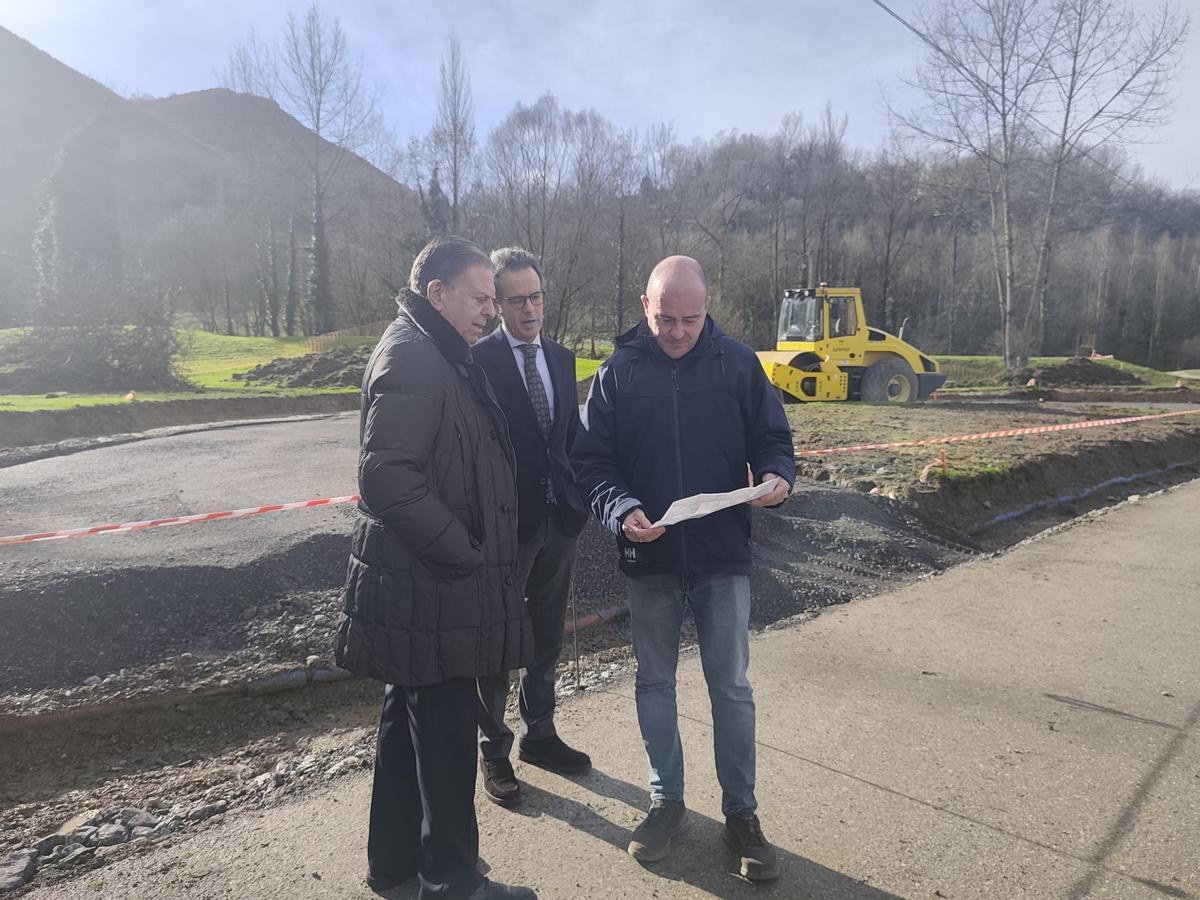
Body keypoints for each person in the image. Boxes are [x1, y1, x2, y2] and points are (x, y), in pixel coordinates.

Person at [571, 255, 794, 882]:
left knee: (732, 689)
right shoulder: (618, 374)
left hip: (723, 554)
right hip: (651, 556)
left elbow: (773, 440)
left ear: (707, 309)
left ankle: (742, 815)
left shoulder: (738, 365)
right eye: (665, 318)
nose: (676, 331)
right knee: (654, 685)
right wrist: (622, 509)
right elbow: (592, 465)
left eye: (689, 319)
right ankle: (665, 802)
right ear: (645, 306)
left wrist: (778, 477)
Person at [335, 235, 537, 900]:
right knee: (447, 744)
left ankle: (394, 868)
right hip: (435, 586)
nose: (491, 310)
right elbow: (387, 476)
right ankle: (453, 883)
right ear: (438, 293)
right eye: (481, 298)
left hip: (421, 590)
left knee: (405, 727)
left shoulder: (436, 350)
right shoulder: (416, 357)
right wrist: (464, 552)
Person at [471, 247, 592, 807]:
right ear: (497, 304)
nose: (529, 309)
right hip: (504, 528)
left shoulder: (563, 359)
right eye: (516, 299)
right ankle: (493, 750)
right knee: (497, 640)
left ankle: (539, 734)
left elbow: (566, 441)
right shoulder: (478, 361)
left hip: (558, 522)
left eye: (536, 296)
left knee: (546, 635)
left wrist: (578, 499)